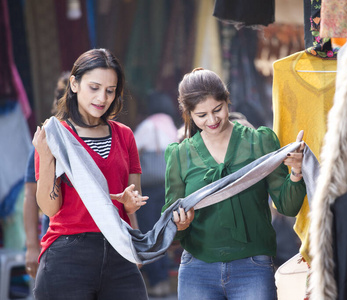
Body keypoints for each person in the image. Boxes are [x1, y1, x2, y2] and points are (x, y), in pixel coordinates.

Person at [163, 68, 307, 300]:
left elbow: (287, 207)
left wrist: (297, 171)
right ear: (189, 114)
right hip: (197, 269)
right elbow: (172, 226)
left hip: (253, 266)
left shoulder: (260, 141)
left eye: (217, 109)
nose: (212, 120)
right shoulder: (180, 155)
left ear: (227, 100)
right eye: (201, 115)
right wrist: (180, 225)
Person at [31, 48, 148, 300]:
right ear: (74, 84)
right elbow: (50, 209)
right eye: (94, 87)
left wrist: (130, 203)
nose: (102, 97)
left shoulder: (124, 135)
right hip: (67, 255)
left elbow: (132, 197)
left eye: (110, 90)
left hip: (119, 248)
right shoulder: (56, 136)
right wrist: (46, 155)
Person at [23, 71, 69, 279]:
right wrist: (32, 246)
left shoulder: (100, 136)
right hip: (53, 234)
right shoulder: (45, 139)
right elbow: (30, 196)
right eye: (61, 93)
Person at [133, 112, 178, 297]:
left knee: (149, 234)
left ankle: (157, 281)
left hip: (148, 189)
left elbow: (133, 149)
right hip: (166, 186)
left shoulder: (147, 125)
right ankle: (165, 282)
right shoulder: (168, 124)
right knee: (162, 233)